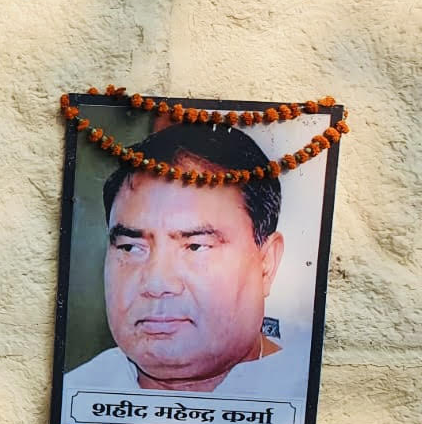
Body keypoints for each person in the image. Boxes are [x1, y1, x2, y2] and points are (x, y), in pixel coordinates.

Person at [63, 122, 304, 398]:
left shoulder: (315, 389)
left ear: (267, 263)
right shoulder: (74, 395)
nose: (156, 283)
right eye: (131, 248)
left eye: (195, 246)